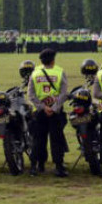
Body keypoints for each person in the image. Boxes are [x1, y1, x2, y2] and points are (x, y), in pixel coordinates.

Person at [28, 49, 69, 177]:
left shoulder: (34, 74)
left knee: (38, 140)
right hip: (55, 112)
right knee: (56, 140)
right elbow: (63, 93)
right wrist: (54, 108)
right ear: (53, 60)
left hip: (39, 112)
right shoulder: (60, 72)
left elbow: (31, 95)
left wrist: (42, 107)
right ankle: (58, 167)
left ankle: (35, 166)